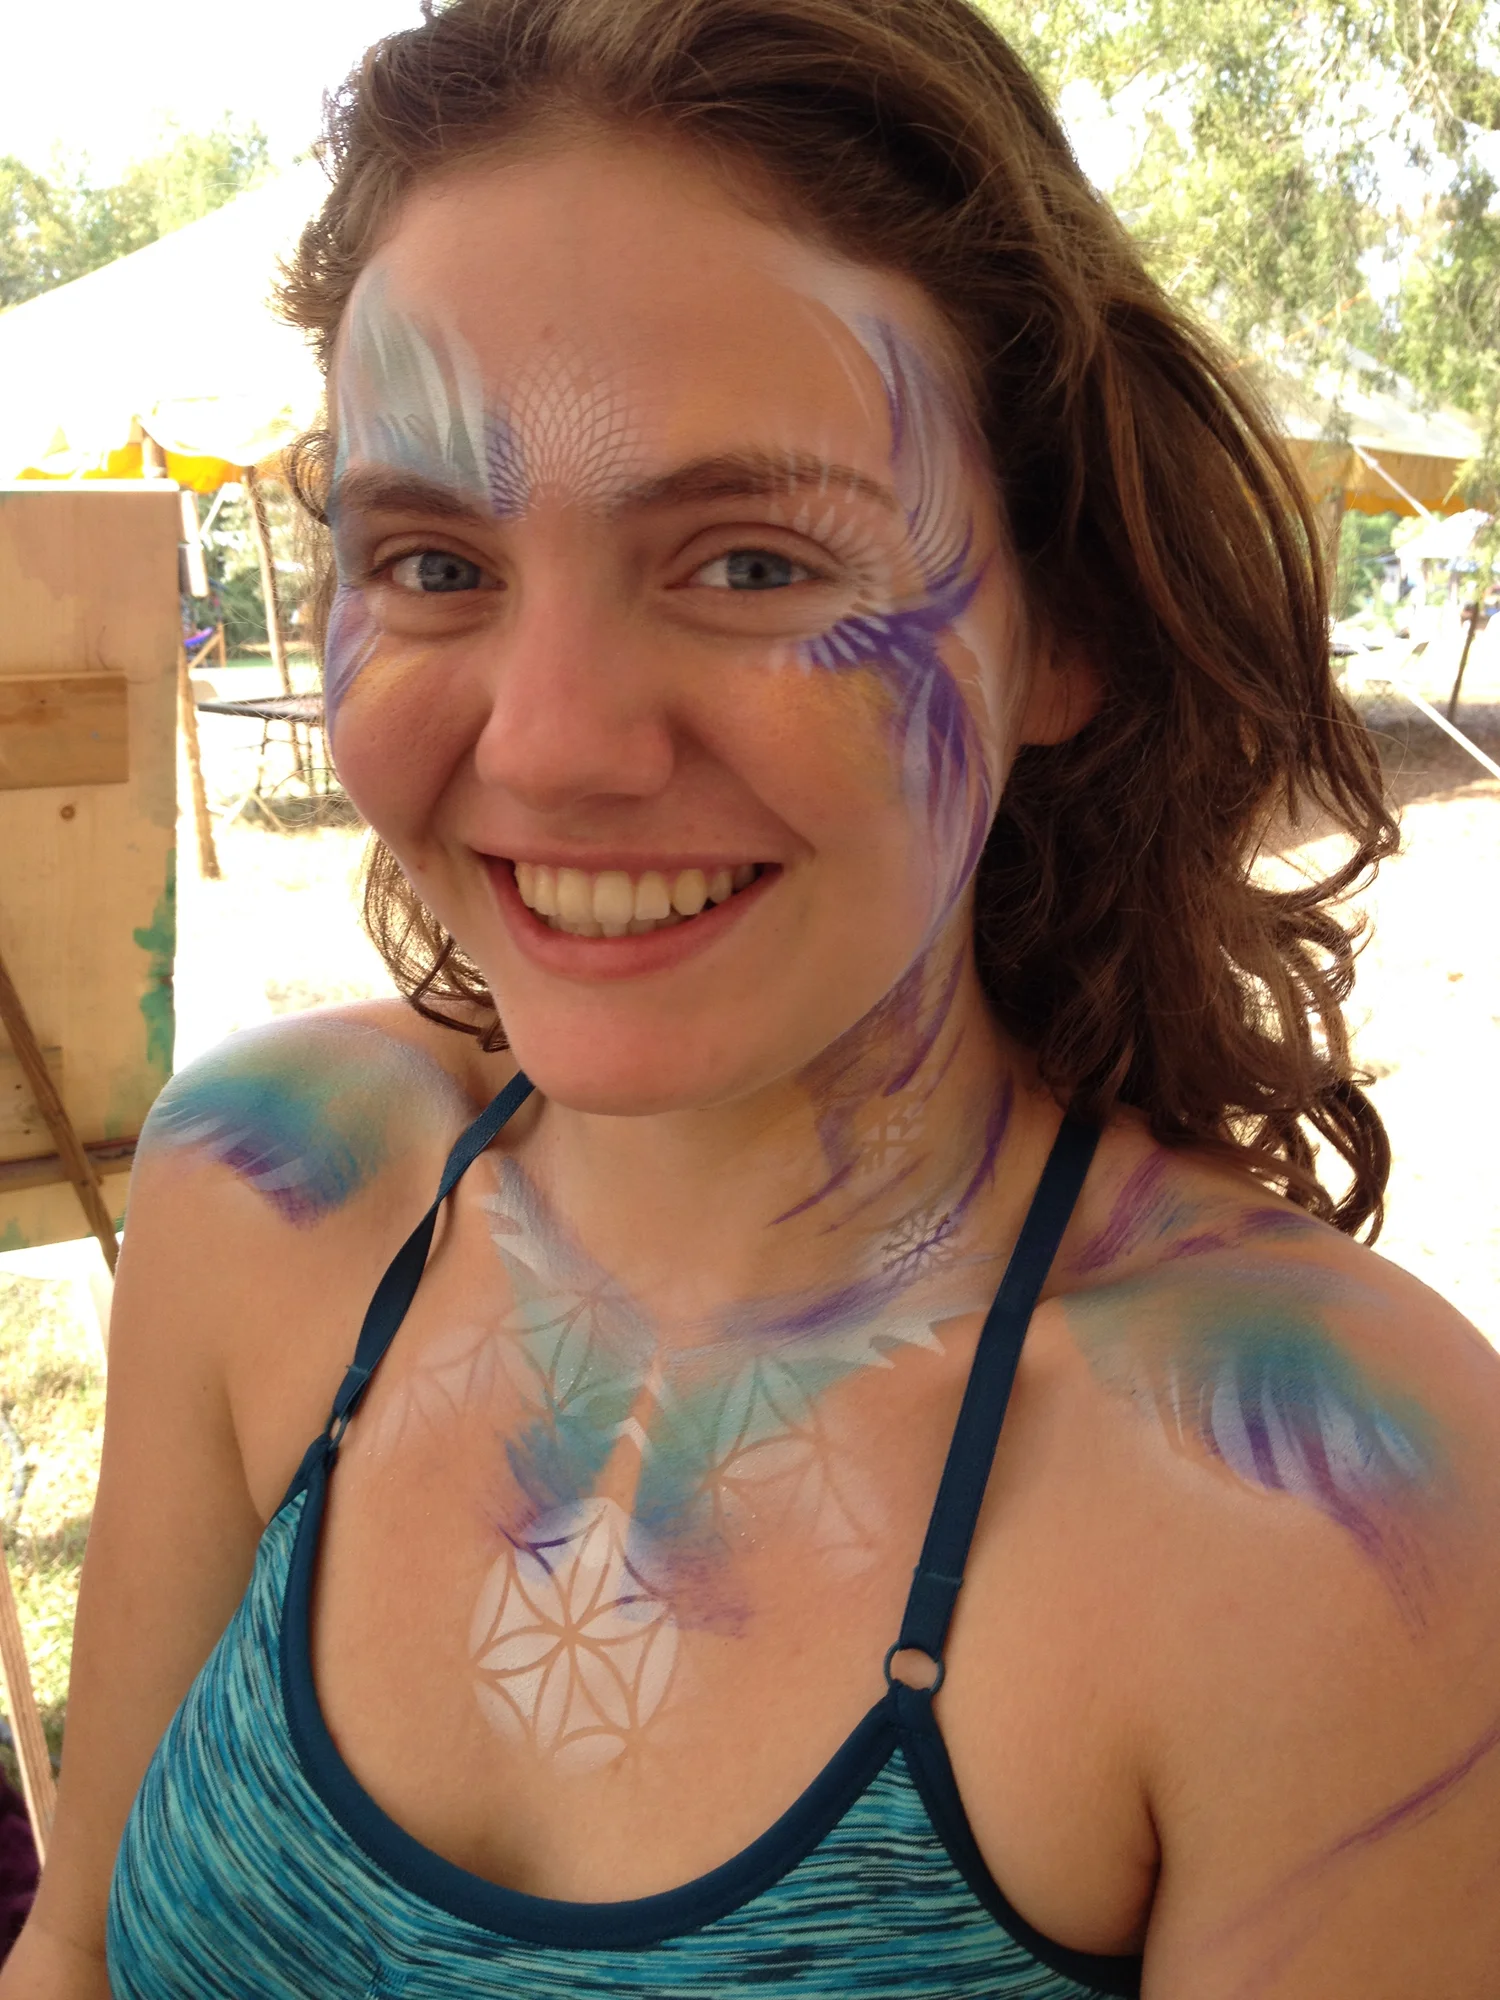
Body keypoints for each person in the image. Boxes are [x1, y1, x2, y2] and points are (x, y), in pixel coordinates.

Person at [8, 1, 1500, 1993]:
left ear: (1063, 626)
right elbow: (78, 1953)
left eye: (750, 564)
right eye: (435, 563)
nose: (552, 745)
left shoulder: (1334, 1508)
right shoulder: (266, 1190)